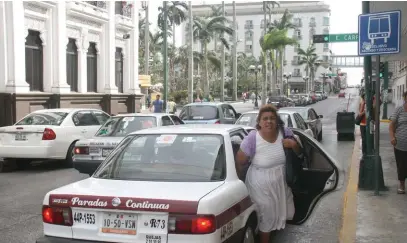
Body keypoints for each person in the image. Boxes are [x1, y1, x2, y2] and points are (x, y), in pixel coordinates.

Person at [236, 104, 301, 243]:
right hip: (259, 184)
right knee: (267, 216)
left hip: (280, 184)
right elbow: (240, 160)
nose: (269, 121)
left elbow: (300, 153)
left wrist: (293, 145)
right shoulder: (253, 138)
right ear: (259, 122)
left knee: (280, 214)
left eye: (272, 118)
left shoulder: (285, 132)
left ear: (277, 121)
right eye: (265, 118)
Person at [389, 91, 407, 194]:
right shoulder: (399, 110)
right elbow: (391, 126)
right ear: (405, 98)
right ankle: (402, 184)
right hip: (400, 144)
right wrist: (392, 138)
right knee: (401, 165)